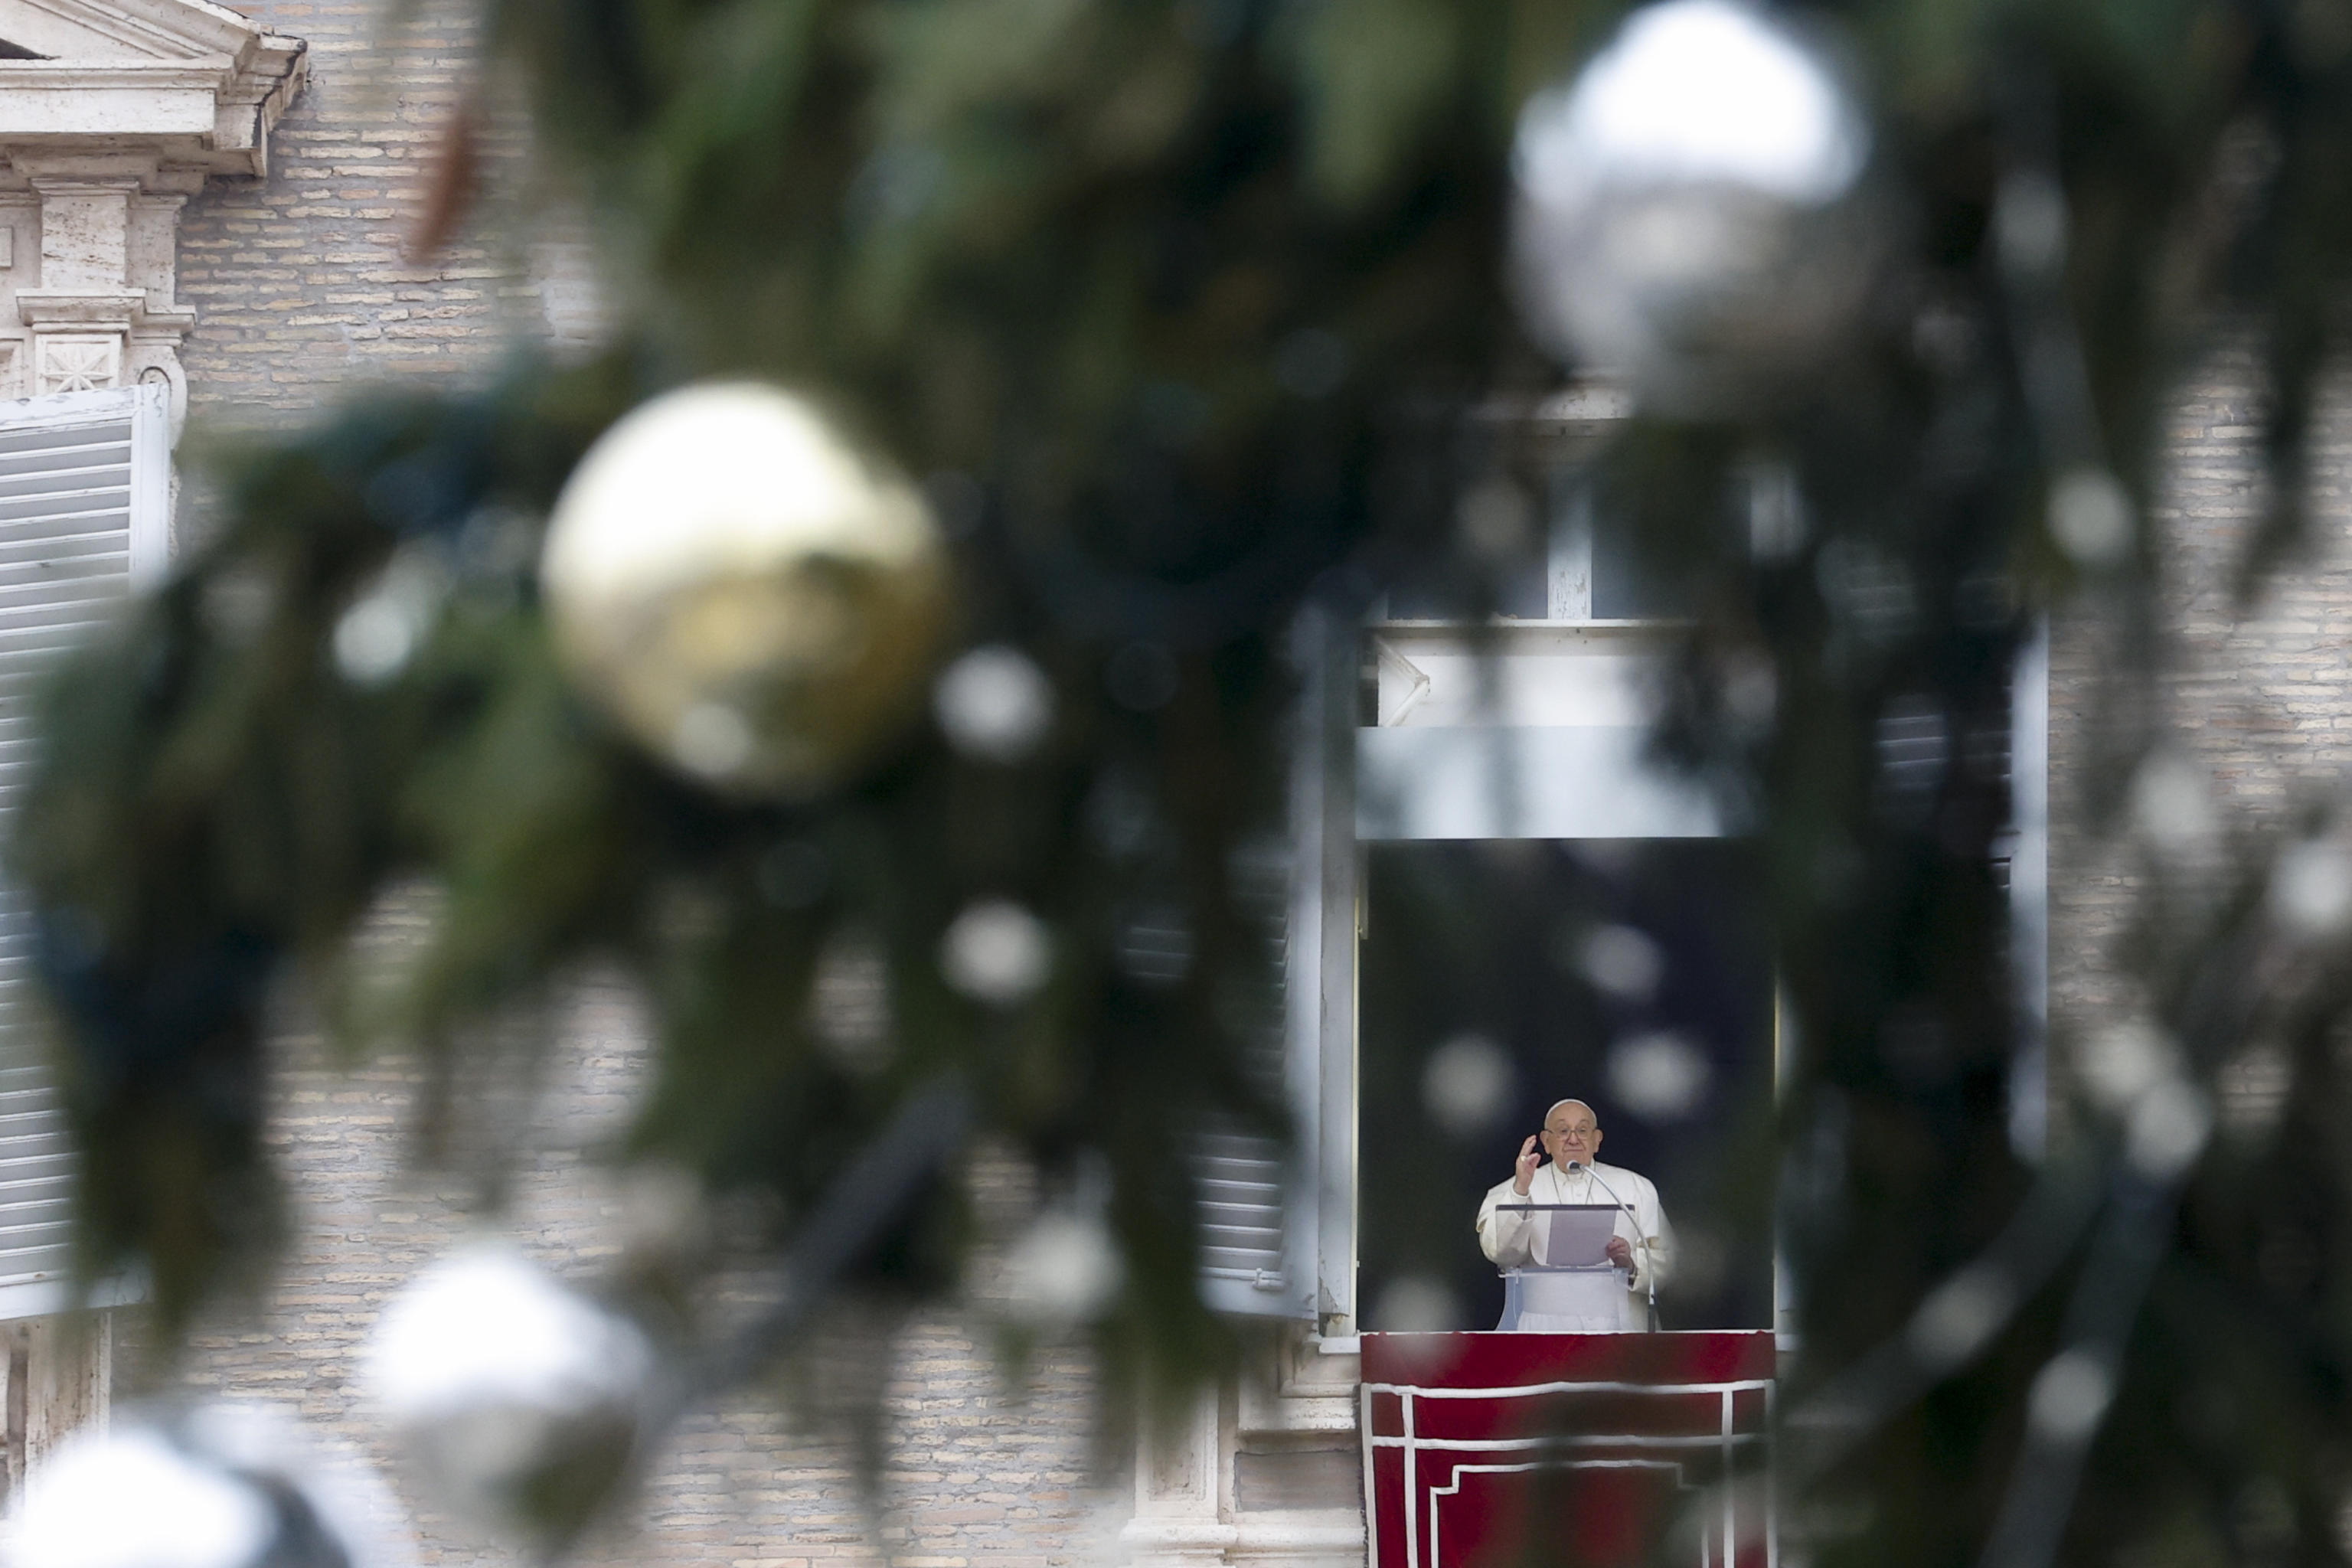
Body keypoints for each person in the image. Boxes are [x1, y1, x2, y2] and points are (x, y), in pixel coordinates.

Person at [1475, 1098, 1674, 1331]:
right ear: (1546, 1142)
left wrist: (1629, 1264)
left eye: (1582, 1130)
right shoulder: (1514, 1189)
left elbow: (1668, 1261)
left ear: (1597, 1140)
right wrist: (1520, 1192)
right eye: (1562, 1131)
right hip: (1544, 1329)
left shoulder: (1636, 1187)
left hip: (1620, 1329)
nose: (1573, 1139)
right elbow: (1499, 1252)